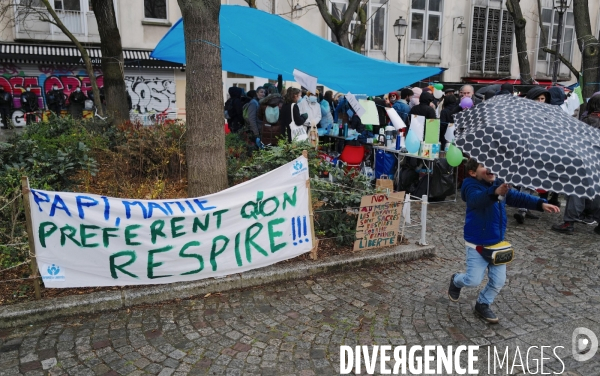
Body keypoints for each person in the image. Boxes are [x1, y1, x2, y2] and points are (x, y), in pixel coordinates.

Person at [448, 158, 560, 323]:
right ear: (473, 172)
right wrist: (495, 192)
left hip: (497, 244)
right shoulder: (470, 185)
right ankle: (456, 280)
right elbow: (476, 200)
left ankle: (483, 303)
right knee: (473, 280)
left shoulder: (501, 184)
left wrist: (540, 204)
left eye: (491, 164)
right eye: (483, 165)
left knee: (498, 281)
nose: (490, 167)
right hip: (477, 244)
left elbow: (519, 197)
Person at [551, 94, 600, 235]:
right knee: (596, 192)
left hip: (583, 160)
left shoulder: (586, 120)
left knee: (576, 190)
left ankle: (569, 222)